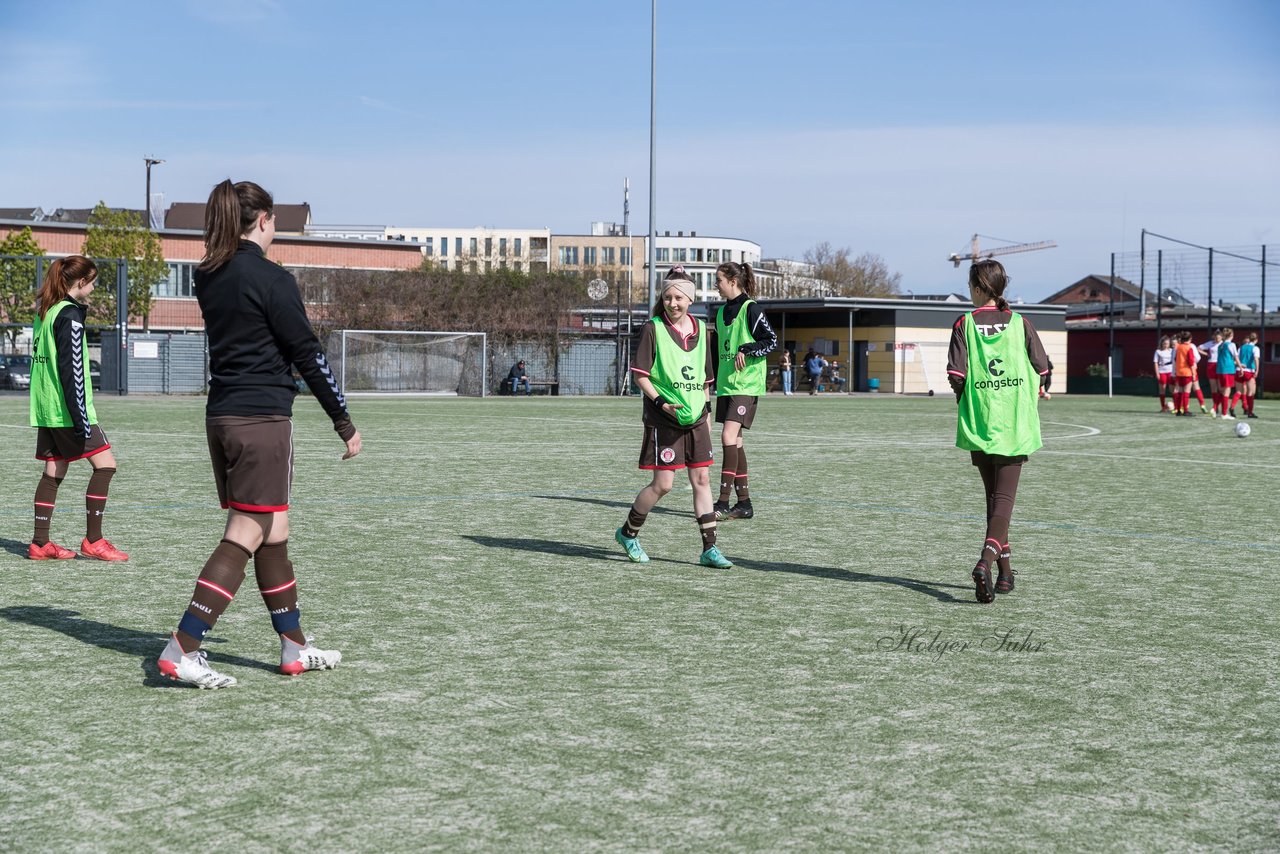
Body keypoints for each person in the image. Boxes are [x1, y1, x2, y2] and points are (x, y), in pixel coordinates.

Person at [156, 179, 362, 689]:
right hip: (261, 422)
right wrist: (344, 421)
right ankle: (182, 646)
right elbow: (309, 355)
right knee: (246, 530)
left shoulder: (209, 274)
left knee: (274, 530)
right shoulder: (273, 279)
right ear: (264, 220)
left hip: (223, 416)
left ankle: (294, 648)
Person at [615, 267, 732, 569]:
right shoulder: (653, 328)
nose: (672, 303)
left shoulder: (703, 331)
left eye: (678, 297)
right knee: (663, 484)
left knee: (702, 478)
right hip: (664, 417)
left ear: (690, 299)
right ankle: (628, 533)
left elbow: (706, 382)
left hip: (695, 418)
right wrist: (661, 401)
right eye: (667, 297)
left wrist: (706, 417)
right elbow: (641, 375)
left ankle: (710, 549)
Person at [947, 260, 1050, 604]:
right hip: (1014, 422)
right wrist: (1039, 387)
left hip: (979, 421)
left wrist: (970, 403)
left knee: (994, 504)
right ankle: (985, 561)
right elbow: (1043, 367)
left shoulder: (963, 323)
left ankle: (1004, 574)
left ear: (979, 287)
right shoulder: (1021, 323)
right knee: (1003, 503)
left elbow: (956, 376)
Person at [27, 255, 128, 562]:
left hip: (46, 408)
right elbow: (71, 370)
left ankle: (40, 543)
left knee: (54, 471)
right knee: (106, 465)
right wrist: (80, 416)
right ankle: (94, 540)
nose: (94, 287)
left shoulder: (46, 311)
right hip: (66, 409)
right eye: (93, 281)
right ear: (80, 282)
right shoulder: (69, 315)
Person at [710, 261, 776, 522]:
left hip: (746, 384)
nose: (716, 285)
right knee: (735, 441)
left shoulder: (752, 309)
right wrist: (710, 380)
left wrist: (747, 349)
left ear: (733, 282)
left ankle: (723, 502)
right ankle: (745, 503)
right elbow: (717, 350)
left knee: (727, 435)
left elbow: (770, 340)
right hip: (727, 384)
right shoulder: (720, 312)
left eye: (719, 280)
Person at [1215, 327, 1240, 420]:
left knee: (1222, 391)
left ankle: (1215, 409)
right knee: (1227, 391)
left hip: (1220, 370)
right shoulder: (1232, 344)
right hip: (1228, 370)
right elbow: (1236, 357)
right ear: (1231, 335)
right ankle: (1224, 414)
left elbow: (1225, 358)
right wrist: (1240, 367)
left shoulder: (1220, 345)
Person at [1173, 331, 1198, 416]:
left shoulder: (1178, 347)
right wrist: (1194, 373)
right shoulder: (1189, 348)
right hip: (1187, 372)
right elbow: (1191, 362)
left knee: (1179, 392)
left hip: (1179, 372)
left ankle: (1178, 410)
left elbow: (1176, 359)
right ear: (1190, 339)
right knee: (1187, 392)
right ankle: (1186, 410)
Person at [1198, 330, 1222, 418]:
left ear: (1222, 337)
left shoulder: (1223, 344)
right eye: (1216, 337)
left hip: (1220, 365)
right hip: (1211, 365)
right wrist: (1207, 354)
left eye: (1219, 337)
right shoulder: (1210, 343)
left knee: (1221, 388)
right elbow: (1199, 348)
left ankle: (1216, 406)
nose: (1217, 339)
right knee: (1213, 388)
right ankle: (1215, 406)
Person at [1237, 332, 1260, 418]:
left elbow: (1237, 358)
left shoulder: (1241, 347)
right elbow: (1256, 359)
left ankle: (1243, 406)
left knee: (1240, 391)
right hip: (1249, 371)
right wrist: (1257, 370)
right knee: (1251, 392)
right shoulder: (1255, 348)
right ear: (1256, 340)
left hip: (1240, 370)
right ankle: (1250, 412)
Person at [1153, 336, 1174, 412]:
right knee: (1162, 390)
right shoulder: (1158, 351)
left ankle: (1175, 406)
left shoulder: (1172, 350)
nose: (1166, 345)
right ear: (1161, 343)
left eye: (1167, 343)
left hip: (1171, 371)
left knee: (1173, 390)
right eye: (1164, 343)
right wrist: (1157, 373)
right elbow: (1155, 363)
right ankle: (1163, 407)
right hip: (1162, 371)